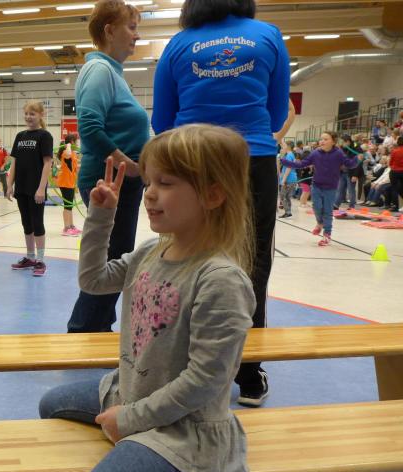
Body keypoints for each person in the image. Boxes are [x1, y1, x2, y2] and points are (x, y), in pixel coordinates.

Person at [40, 125, 256, 472]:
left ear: (213, 195)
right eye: (149, 182)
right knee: (52, 405)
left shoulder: (220, 280)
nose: (150, 193)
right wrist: (101, 216)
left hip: (185, 425)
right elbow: (93, 280)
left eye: (166, 183)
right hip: (133, 388)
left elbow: (205, 381)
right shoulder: (152, 251)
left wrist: (130, 419)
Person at [151, 0, 289, 407]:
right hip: (252, 158)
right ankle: (249, 373)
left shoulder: (178, 44)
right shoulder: (268, 36)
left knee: (184, 259)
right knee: (253, 264)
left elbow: (162, 121)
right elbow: (276, 114)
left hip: (193, 161)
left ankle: (179, 366)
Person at [67, 0, 150, 332]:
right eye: (131, 27)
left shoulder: (113, 73)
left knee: (115, 256)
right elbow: (89, 127)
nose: (136, 35)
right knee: (111, 263)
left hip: (120, 180)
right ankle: (83, 329)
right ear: (110, 30)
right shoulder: (100, 70)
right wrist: (130, 166)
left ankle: (98, 324)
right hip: (111, 181)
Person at [280, 131, 361, 246]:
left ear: (333, 141)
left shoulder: (339, 153)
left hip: (331, 188)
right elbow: (302, 164)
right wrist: (284, 161)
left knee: (327, 211)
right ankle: (319, 223)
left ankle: (327, 234)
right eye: (321, 139)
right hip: (317, 185)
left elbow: (350, 164)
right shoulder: (315, 153)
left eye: (325, 139)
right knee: (316, 207)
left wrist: (357, 159)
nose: (322, 141)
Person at [6, 100, 53, 277]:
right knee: (26, 223)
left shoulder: (45, 136)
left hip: (36, 188)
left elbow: (47, 163)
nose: (28, 117)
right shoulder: (20, 136)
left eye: (32, 114)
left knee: (37, 223)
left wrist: (41, 188)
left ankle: (40, 260)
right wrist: (9, 185)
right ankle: (30, 257)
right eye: (26, 113)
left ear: (41, 115)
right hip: (21, 187)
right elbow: (14, 162)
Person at [56, 134, 82, 236]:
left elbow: (75, 168)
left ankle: (71, 226)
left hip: (71, 182)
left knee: (70, 206)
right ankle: (66, 228)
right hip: (65, 182)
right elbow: (67, 155)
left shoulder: (73, 153)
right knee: (67, 206)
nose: (77, 143)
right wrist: (68, 146)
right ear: (71, 141)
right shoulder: (66, 152)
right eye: (75, 141)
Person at [278, 141, 297, 218]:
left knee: (283, 196)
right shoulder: (291, 154)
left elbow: (289, 167)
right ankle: (288, 211)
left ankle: (288, 212)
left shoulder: (289, 155)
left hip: (288, 179)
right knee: (287, 196)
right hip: (292, 178)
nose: (282, 147)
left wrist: (284, 179)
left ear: (288, 146)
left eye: (283, 146)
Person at [387, 136, 403, 212]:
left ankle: (395, 206)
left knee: (394, 189)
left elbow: (390, 163)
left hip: (395, 171)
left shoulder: (394, 151)